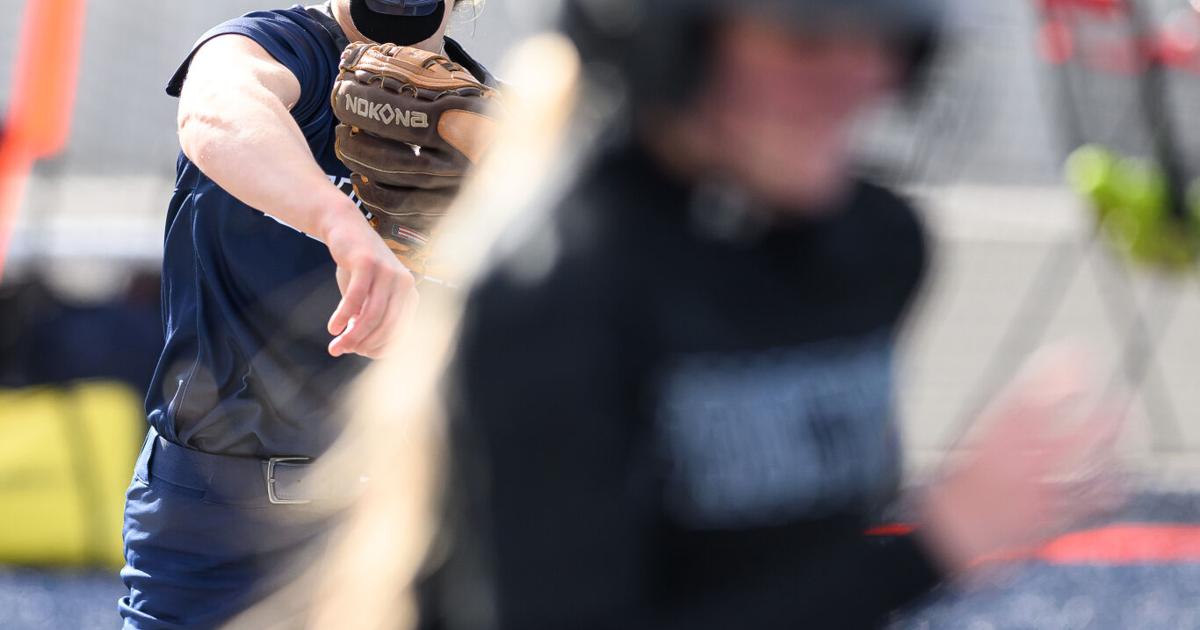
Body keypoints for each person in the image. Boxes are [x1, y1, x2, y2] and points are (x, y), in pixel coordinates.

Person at [417, 0, 1126, 628]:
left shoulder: (871, 251)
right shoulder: (564, 291)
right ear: (671, 41)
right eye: (806, 42)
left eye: (882, 38)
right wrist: (935, 543)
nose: (860, 77)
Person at [119, 2, 497, 628]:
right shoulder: (281, 46)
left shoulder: (482, 119)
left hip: (394, 519)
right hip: (218, 515)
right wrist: (340, 224)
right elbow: (217, 107)